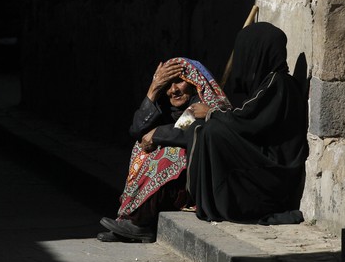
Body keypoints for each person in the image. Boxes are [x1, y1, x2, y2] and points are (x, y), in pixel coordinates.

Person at [186, 22, 309, 225]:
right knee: (205, 128)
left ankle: (221, 203)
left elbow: (247, 121)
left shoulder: (278, 83)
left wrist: (211, 112)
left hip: (276, 174)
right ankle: (208, 201)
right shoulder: (271, 83)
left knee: (214, 131)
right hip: (266, 163)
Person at [98, 57, 230, 242]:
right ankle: (131, 219)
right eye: (166, 84)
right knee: (142, 148)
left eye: (179, 81)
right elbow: (137, 130)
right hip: (174, 189)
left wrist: (157, 133)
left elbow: (186, 131)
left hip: (199, 187)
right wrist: (153, 89)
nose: (173, 90)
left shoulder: (203, 106)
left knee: (171, 154)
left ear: (193, 82)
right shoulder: (165, 105)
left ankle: (139, 222)